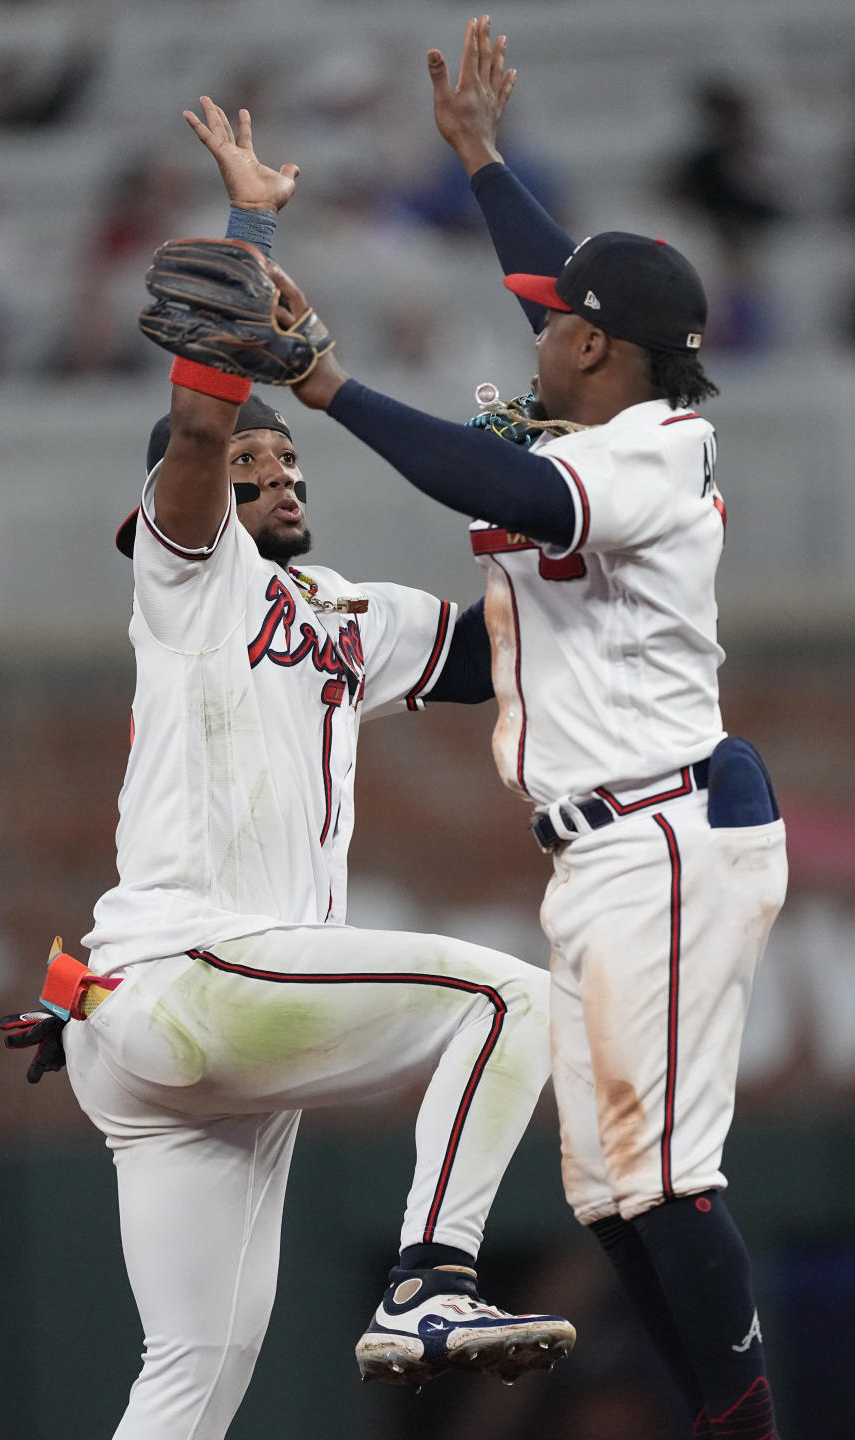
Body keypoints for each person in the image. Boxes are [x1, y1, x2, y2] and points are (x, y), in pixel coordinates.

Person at [3, 99, 575, 1440]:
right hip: (191, 974)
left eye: (286, 461)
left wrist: (545, 449)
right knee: (509, 1002)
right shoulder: (188, 576)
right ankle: (432, 1286)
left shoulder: (344, 616)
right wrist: (250, 228)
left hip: (172, 1029)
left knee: (194, 1376)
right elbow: (196, 436)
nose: (275, 478)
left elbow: (510, 651)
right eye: (252, 468)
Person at [267, 16, 789, 1440]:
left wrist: (332, 390)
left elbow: (521, 492)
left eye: (560, 320)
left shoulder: (657, 454)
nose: (535, 324)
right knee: (619, 1189)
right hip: (619, 836)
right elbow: (548, 288)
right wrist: (485, 159)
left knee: (666, 1181)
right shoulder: (615, 402)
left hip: (664, 828)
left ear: (602, 349)